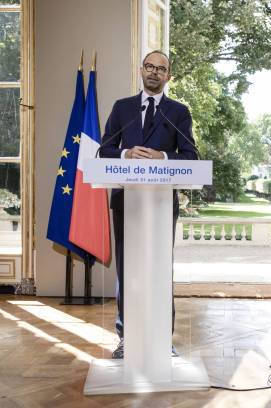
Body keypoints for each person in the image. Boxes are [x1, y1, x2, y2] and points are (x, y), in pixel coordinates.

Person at [98, 50, 198, 358]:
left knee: (158, 270)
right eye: (150, 66)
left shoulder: (178, 111)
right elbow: (104, 149)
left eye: (161, 69)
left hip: (160, 203)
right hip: (126, 201)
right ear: (141, 70)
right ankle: (127, 338)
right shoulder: (122, 107)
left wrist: (163, 157)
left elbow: (191, 155)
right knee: (128, 271)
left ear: (168, 77)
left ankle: (160, 338)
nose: (154, 72)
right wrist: (126, 154)